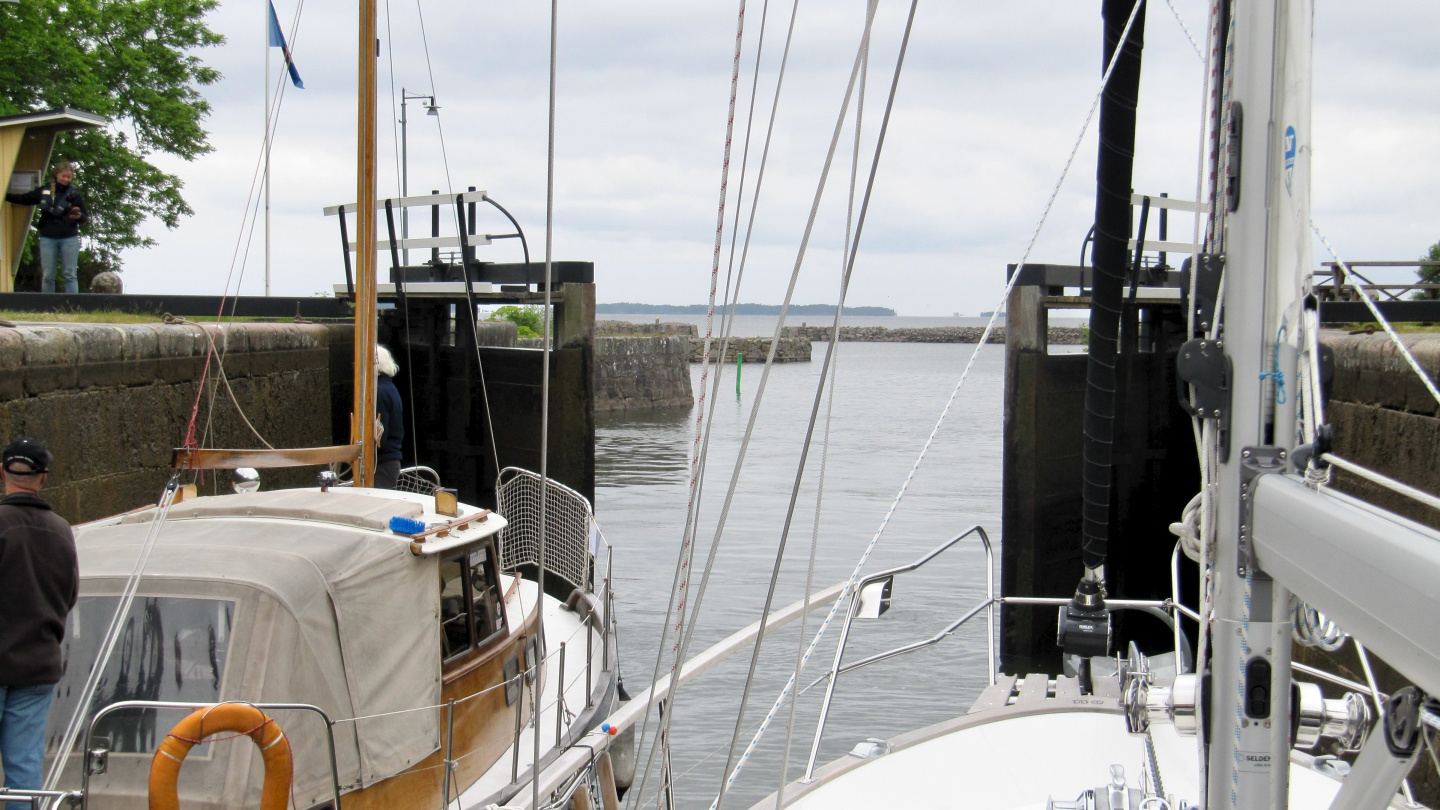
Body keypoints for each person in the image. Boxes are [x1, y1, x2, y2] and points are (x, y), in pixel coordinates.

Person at [0, 438, 77, 808]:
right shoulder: (62, 530)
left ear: (2, 473)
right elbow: (69, 595)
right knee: (24, 768)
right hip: (37, 666)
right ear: (43, 478)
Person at [3, 163, 89, 294]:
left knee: (70, 275)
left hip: (69, 238)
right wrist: (4, 195)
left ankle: (73, 307)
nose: (66, 179)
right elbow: (25, 198)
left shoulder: (74, 194)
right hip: (48, 238)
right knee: (48, 276)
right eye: (63, 176)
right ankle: (48, 306)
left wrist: (78, 216)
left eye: (69, 177)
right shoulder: (45, 191)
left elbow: (85, 217)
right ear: (56, 175)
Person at [375, 346, 405, 489]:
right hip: (390, 462)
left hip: (381, 465)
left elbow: (379, 436)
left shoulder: (378, 392)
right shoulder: (390, 388)